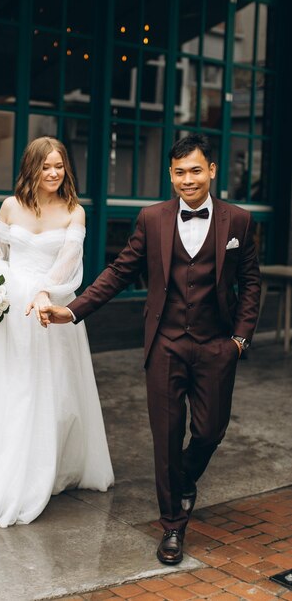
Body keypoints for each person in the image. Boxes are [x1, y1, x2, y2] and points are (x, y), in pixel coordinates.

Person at [37, 134, 261, 564]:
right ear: (171, 175)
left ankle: (183, 480)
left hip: (217, 344)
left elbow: (250, 282)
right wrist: (73, 309)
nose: (187, 180)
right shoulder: (152, 219)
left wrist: (239, 340)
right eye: (179, 172)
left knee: (211, 431)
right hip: (166, 344)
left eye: (196, 170)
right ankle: (172, 526)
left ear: (211, 170)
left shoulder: (239, 222)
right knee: (166, 437)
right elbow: (120, 271)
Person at [0, 137, 114, 528]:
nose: (53, 173)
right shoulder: (11, 206)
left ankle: (41, 468)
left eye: (59, 166)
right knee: (2, 388)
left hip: (49, 309)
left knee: (51, 392)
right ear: (31, 169)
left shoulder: (74, 211)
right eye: (45, 166)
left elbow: (67, 263)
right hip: (10, 308)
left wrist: (44, 291)